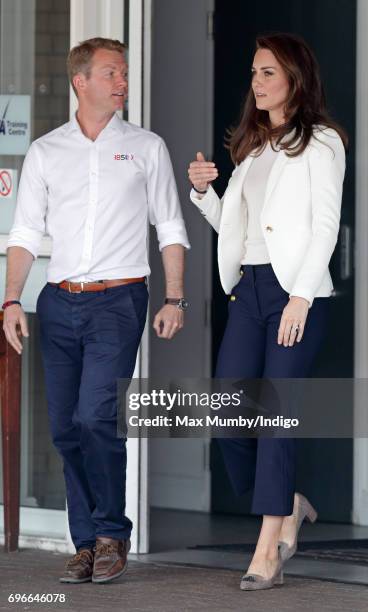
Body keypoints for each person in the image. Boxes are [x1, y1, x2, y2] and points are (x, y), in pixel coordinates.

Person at [2, 37, 190, 584]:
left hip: (118, 300)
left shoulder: (147, 148)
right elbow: (24, 232)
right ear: (80, 81)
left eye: (124, 73)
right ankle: (85, 544)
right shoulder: (45, 151)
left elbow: (171, 227)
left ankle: (111, 534)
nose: (122, 82)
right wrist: (12, 298)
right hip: (57, 301)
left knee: (95, 415)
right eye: (112, 73)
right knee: (64, 427)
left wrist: (174, 297)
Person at [188, 32, 347, 591]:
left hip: (294, 293)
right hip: (248, 292)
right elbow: (237, 230)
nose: (256, 83)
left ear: (294, 80)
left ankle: (267, 548)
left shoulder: (322, 142)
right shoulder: (253, 146)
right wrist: (206, 194)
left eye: (267, 73)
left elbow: (326, 224)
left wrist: (302, 295)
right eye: (254, 73)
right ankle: (290, 503)